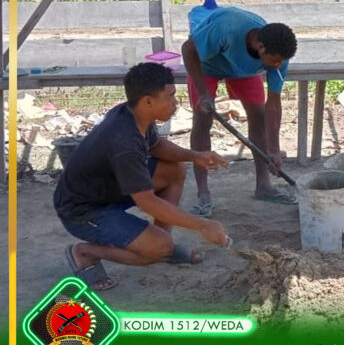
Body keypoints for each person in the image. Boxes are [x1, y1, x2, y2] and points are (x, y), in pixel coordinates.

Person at [55, 63, 230, 291]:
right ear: (148, 101)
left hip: (106, 191)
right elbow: (146, 202)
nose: (175, 103)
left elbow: (156, 146)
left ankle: (163, 246)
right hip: (81, 211)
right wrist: (203, 225)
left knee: (175, 170)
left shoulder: (133, 114)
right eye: (170, 96)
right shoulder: (124, 142)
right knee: (157, 247)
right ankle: (86, 252)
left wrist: (194, 155)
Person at [181, 6, 298, 217]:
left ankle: (263, 186)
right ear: (260, 47)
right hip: (206, 65)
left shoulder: (278, 57)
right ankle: (203, 193)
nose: (278, 66)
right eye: (274, 61)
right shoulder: (226, 28)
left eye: (281, 62)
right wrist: (203, 92)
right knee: (202, 120)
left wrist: (274, 149)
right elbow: (187, 49)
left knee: (259, 117)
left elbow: (273, 102)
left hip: (242, 70)